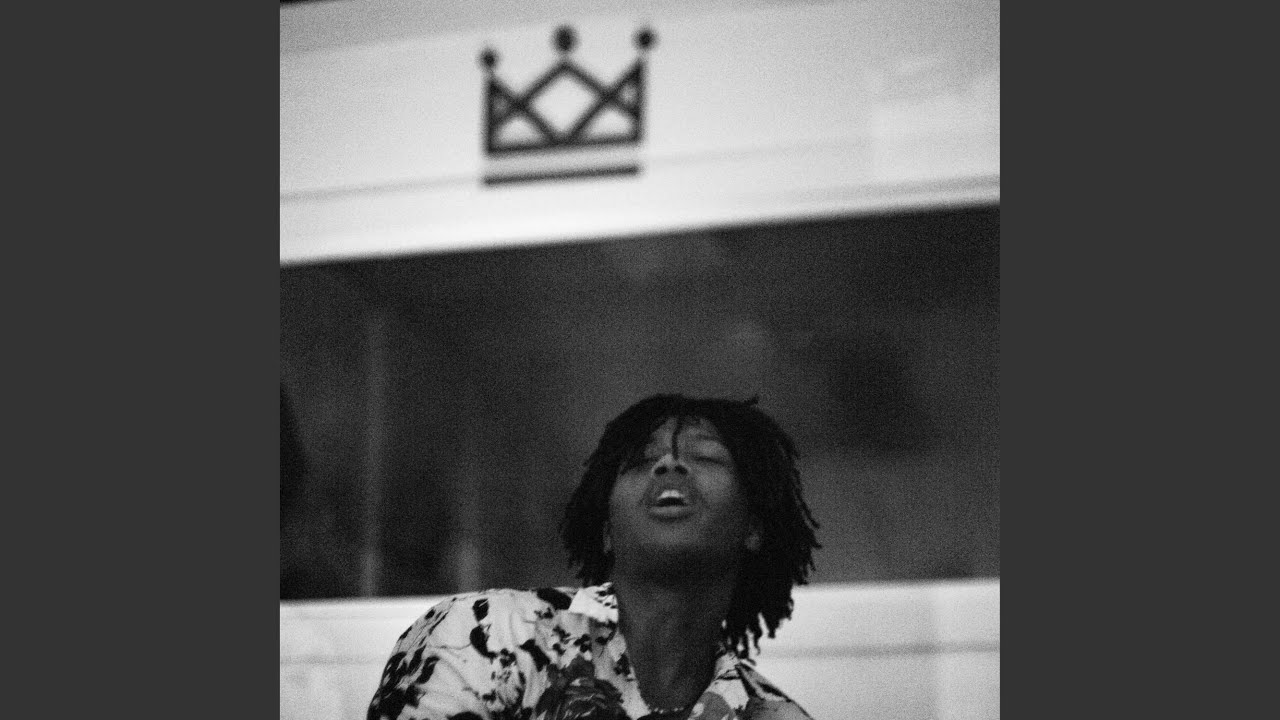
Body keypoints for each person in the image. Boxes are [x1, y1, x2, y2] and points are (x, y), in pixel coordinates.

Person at [367, 393, 821, 720]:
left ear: (753, 527)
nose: (668, 464)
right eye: (642, 460)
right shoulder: (485, 635)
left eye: (705, 457)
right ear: (606, 530)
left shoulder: (773, 715)